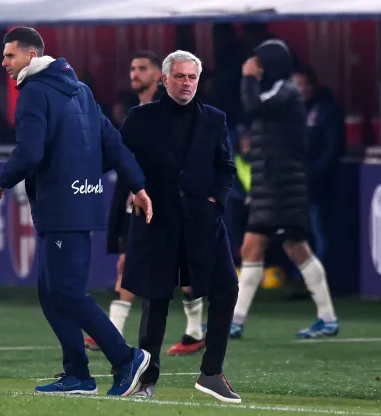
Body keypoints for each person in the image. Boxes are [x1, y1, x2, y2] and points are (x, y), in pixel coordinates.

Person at [0, 27, 152, 396]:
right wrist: (137, 185)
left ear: (31, 56)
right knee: (51, 292)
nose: (4, 63)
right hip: (79, 203)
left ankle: (126, 359)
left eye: (10, 55)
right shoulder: (82, 91)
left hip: (61, 207)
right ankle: (77, 374)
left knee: (67, 293)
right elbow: (114, 143)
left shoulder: (33, 94)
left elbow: (30, 153)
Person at [119, 50, 241, 403]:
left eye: (192, 78)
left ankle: (211, 373)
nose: (187, 83)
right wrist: (135, 190)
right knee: (155, 300)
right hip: (157, 222)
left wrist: (215, 201)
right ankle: (146, 379)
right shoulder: (140, 119)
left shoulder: (215, 119)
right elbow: (118, 157)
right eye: (181, 77)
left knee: (227, 288)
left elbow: (226, 167)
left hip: (203, 222)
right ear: (165, 79)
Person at [86, 51, 206, 357]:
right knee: (127, 261)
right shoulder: (136, 113)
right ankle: (111, 331)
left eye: (142, 69)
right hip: (137, 199)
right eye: (131, 68)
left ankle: (195, 331)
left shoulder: (178, 111)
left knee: (183, 265)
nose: (134, 74)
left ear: (160, 76)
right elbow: (120, 152)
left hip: (170, 199)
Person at [230, 39, 339, 340]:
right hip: (274, 185)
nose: (256, 67)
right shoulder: (279, 91)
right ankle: (326, 318)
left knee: (269, 247)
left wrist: (248, 77)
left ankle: (237, 321)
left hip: (281, 187)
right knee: (290, 248)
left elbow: (252, 105)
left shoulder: (286, 90)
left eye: (260, 62)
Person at [291, 66, 346, 263]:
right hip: (294, 186)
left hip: (318, 185)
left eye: (301, 84)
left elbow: (333, 149)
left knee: (320, 231)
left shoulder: (327, 110)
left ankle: (323, 278)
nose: (298, 90)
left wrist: (312, 175)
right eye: (294, 85)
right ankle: (301, 277)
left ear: (311, 85)